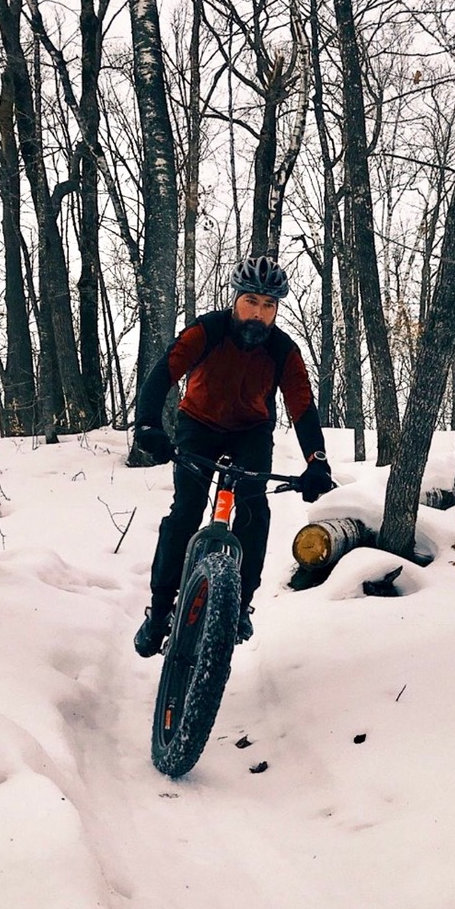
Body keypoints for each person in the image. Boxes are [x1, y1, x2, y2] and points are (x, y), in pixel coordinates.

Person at [132, 255, 333, 657]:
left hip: (250, 432)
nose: (259, 313)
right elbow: (163, 373)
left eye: (269, 305)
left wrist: (317, 460)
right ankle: (159, 612)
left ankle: (238, 606)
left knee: (254, 510)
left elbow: (303, 407)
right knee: (186, 510)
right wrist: (149, 424)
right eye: (252, 302)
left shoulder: (283, 350)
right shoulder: (207, 331)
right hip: (198, 423)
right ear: (236, 299)